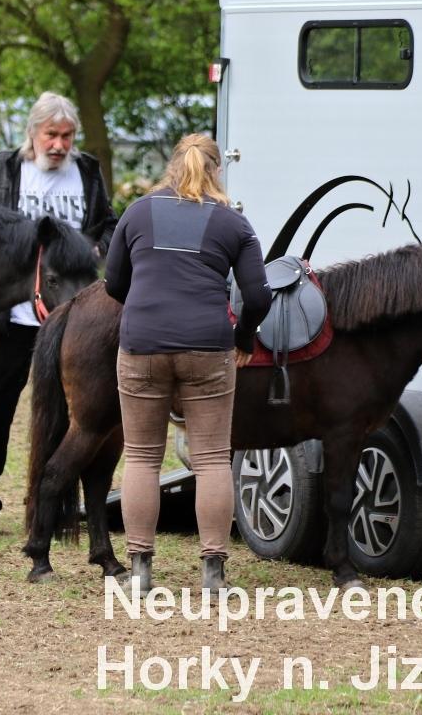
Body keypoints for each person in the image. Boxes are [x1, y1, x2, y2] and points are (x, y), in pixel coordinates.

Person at [104, 133, 271, 591]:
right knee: (212, 458)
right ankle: (213, 574)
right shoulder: (233, 223)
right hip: (208, 347)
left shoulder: (138, 212)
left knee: (142, 456)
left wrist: (148, 307)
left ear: (172, 166)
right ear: (217, 170)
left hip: (142, 345)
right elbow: (258, 296)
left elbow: (114, 282)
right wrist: (243, 337)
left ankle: (140, 572)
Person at [0, 92, 118, 534]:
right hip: (13, 316)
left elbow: (108, 223)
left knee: (69, 413)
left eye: (67, 136)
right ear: (33, 133)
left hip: (73, 322)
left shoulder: (87, 171)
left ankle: (57, 503)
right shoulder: (3, 170)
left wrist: (95, 247)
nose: (59, 144)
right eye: (51, 135)